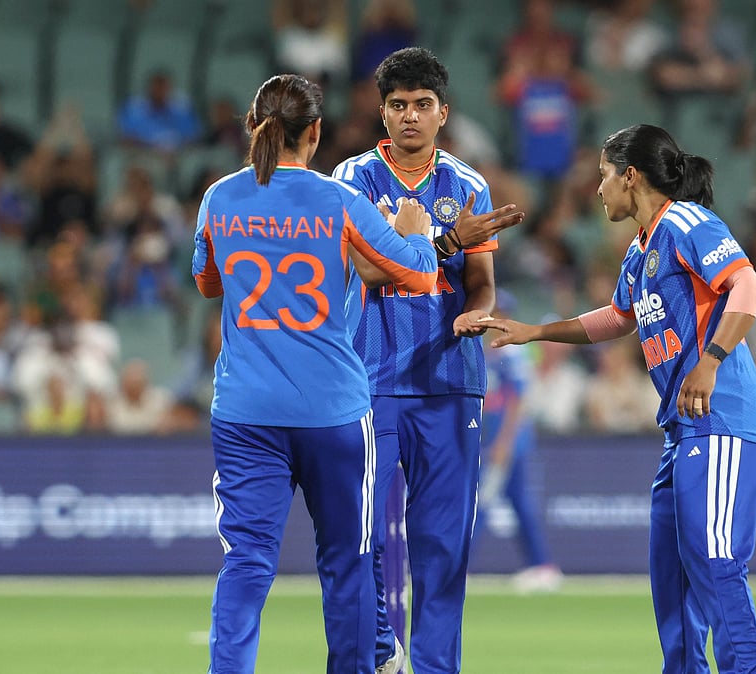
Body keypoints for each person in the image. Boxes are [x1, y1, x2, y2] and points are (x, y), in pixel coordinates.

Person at [480, 124, 756, 674]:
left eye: (603, 176)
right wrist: (537, 332)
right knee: (671, 575)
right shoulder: (639, 252)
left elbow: (748, 287)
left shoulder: (687, 222)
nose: (598, 190)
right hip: (683, 427)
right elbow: (618, 318)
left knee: (715, 560)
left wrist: (710, 361)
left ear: (631, 175)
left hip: (721, 415)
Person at [191, 73, 438, 674]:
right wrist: (419, 234)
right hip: (332, 413)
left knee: (246, 564)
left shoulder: (219, 197)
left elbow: (206, 283)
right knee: (348, 561)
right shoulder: (338, 202)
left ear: (254, 128)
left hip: (246, 412)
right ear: (317, 132)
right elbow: (419, 278)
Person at [331, 47, 524, 674]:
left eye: (421, 105)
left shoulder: (467, 185)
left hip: (450, 380)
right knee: (358, 534)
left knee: (442, 544)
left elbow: (482, 279)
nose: (409, 116)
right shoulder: (352, 179)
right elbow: (358, 266)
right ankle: (380, 652)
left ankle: (436, 667)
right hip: (369, 380)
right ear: (381, 113)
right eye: (397, 106)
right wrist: (435, 242)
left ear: (443, 113)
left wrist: (479, 309)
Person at [474, 289, 561, 594]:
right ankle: (542, 565)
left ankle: (456, 568)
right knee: (518, 502)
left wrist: (504, 443)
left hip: (508, 443)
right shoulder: (483, 350)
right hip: (493, 440)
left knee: (480, 503)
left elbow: (517, 402)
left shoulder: (512, 353)